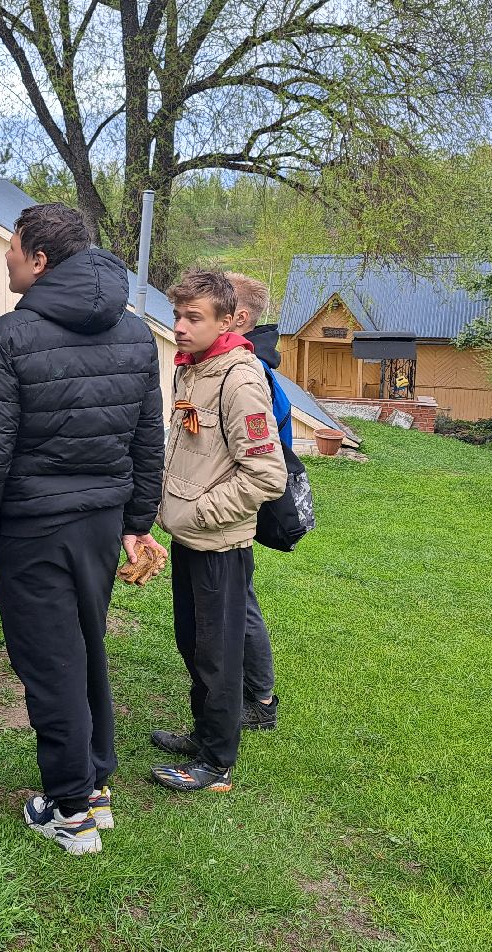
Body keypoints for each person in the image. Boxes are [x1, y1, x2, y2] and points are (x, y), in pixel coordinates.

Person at [0, 203, 165, 856]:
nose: (6, 257)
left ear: (40, 261)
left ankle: (71, 812)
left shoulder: (7, 338)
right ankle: (94, 785)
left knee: (51, 664)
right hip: (100, 524)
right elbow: (146, 437)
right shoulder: (135, 334)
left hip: (33, 529)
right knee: (83, 649)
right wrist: (135, 523)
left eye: (13, 247)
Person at [150, 269, 288, 793]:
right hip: (189, 541)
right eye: (178, 315)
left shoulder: (240, 379)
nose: (180, 327)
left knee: (218, 655)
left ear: (230, 321)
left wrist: (201, 512)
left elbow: (266, 474)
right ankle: (204, 734)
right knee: (194, 644)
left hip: (219, 546)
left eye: (194, 318)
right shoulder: (194, 370)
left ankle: (215, 764)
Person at [225, 272, 281, 731]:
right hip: (231, 497)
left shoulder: (250, 369)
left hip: (237, 501)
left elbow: (265, 449)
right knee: (240, 597)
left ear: (239, 317)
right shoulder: (248, 359)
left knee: (240, 600)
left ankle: (261, 700)